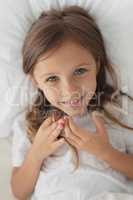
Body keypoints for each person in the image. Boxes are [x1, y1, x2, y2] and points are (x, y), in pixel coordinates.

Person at [10, 5, 133, 200]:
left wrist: (106, 152)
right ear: (35, 81)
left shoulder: (120, 111)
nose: (70, 90)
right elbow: (19, 192)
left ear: (97, 65)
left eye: (80, 71)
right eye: (52, 79)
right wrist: (36, 154)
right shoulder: (29, 124)